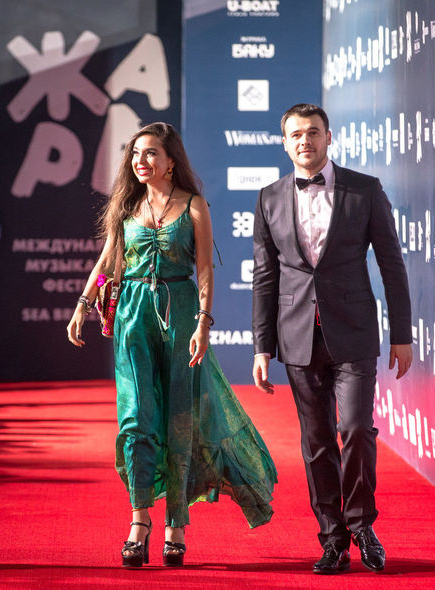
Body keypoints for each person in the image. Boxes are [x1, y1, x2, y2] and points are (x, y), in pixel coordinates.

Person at [67, 122, 277, 568]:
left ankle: (176, 524)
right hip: (133, 317)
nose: (140, 161)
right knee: (135, 418)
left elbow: (205, 269)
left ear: (170, 161)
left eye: (150, 154)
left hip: (181, 312)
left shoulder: (193, 204)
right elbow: (108, 260)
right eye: (135, 154)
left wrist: (203, 323)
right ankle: (139, 520)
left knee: (180, 420)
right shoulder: (126, 204)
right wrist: (84, 303)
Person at [252, 104, 412, 575]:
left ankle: (362, 525)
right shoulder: (268, 198)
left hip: (354, 331)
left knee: (357, 428)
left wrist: (402, 334)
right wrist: (262, 346)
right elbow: (265, 277)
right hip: (297, 335)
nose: (305, 141)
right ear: (285, 142)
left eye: (313, 132)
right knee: (317, 440)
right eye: (296, 134)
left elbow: (392, 263)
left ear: (329, 137)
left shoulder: (365, 189)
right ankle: (333, 539)